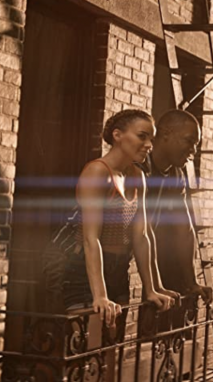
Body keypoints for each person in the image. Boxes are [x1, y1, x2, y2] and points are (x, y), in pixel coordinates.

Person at [62, 109, 176, 328]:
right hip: (86, 271)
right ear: (117, 135)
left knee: (113, 343)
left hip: (119, 270)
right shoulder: (97, 172)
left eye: (151, 139)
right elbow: (90, 239)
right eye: (142, 136)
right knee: (88, 342)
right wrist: (100, 295)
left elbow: (142, 236)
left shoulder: (137, 176)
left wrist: (152, 288)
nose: (149, 145)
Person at [147, 110, 213, 307]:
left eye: (196, 144)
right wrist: (153, 286)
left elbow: (184, 230)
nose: (193, 150)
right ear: (166, 134)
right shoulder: (139, 168)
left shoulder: (176, 175)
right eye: (189, 141)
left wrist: (191, 282)